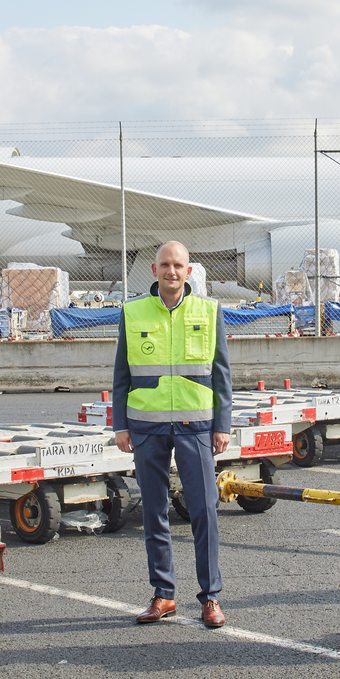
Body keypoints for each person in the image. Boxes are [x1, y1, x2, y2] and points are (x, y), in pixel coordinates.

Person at [112, 241, 232, 629]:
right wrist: (120, 425)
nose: (171, 271)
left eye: (178, 265)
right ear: (154, 269)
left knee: (204, 511)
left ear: (188, 271)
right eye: (165, 264)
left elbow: (221, 374)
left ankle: (210, 597)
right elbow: (121, 373)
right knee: (154, 511)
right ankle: (163, 594)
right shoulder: (132, 311)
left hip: (196, 426)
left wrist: (223, 425)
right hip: (147, 427)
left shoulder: (209, 311)